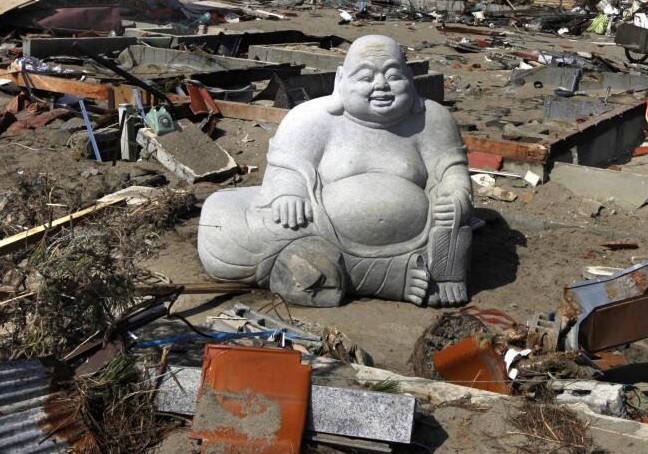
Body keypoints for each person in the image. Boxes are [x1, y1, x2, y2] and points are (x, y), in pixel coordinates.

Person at [198, 35, 473, 307]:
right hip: (314, 223)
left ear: (410, 78)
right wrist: (287, 194)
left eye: (393, 75)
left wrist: (455, 196)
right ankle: (380, 274)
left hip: (413, 236)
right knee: (220, 227)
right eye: (365, 78)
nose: (381, 86)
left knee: (453, 224)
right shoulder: (310, 118)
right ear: (341, 79)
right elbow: (287, 165)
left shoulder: (431, 120)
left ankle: (327, 271)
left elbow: (451, 171)